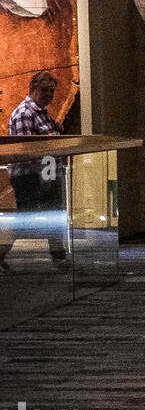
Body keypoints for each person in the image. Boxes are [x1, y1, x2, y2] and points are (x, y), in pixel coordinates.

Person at [2, 69, 68, 270]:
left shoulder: (43, 113)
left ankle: (60, 257)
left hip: (48, 174)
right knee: (25, 221)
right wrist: (42, 177)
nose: (49, 95)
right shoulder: (25, 113)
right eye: (45, 90)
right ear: (33, 89)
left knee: (53, 216)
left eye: (52, 91)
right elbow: (27, 151)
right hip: (32, 177)